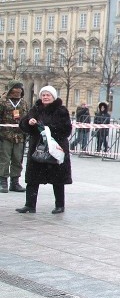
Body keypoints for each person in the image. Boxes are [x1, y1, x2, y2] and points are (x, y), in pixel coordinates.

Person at [16, 86, 72, 214]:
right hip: (38, 148)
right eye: (43, 95)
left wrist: (45, 127)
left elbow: (66, 129)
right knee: (32, 178)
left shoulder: (61, 111)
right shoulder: (35, 109)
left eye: (48, 95)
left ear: (53, 97)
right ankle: (29, 205)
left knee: (57, 179)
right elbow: (23, 125)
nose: (45, 97)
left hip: (55, 148)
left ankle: (59, 205)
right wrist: (29, 123)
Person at [0, 81, 29, 193]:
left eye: (20, 88)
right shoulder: (3, 101)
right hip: (5, 135)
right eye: (16, 88)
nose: (18, 90)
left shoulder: (23, 103)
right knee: (4, 158)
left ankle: (15, 182)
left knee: (18, 159)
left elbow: (26, 117)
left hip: (20, 135)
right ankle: (3, 181)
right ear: (11, 89)